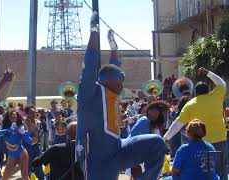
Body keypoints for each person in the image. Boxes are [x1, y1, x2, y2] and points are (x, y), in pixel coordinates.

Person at [76, 12, 166, 180]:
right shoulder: (89, 93)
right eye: (119, 81)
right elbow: (90, 63)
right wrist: (94, 31)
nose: (122, 85)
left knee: (157, 144)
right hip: (96, 160)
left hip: (118, 148)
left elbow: (113, 66)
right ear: (108, 80)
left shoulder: (112, 93)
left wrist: (114, 49)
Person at [164, 67, 228, 180]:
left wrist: (165, 138)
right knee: (221, 172)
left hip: (202, 144)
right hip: (220, 141)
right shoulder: (217, 96)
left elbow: (178, 124)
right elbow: (221, 83)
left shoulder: (190, 105)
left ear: (195, 93)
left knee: (203, 174)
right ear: (209, 91)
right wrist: (208, 73)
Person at [0, 111, 32, 180]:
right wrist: (8, 130)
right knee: (4, 177)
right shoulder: (5, 127)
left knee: (25, 176)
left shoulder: (21, 126)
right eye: (11, 116)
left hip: (22, 153)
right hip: (12, 155)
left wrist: (24, 133)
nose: (13, 117)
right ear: (8, 118)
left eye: (14, 116)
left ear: (17, 117)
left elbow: (30, 141)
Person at [23, 105, 45, 180]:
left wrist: (37, 131)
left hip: (36, 146)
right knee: (28, 165)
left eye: (34, 113)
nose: (33, 114)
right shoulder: (23, 122)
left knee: (38, 163)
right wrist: (30, 129)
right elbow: (22, 134)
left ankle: (41, 178)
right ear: (27, 113)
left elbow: (41, 133)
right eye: (31, 113)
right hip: (27, 146)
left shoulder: (38, 122)